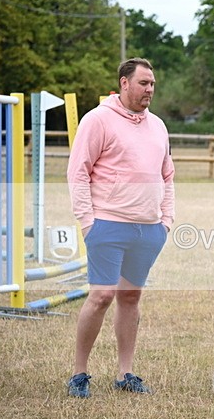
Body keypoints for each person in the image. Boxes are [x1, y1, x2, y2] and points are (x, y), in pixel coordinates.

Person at [65, 58, 175, 398]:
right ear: (124, 83)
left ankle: (125, 373)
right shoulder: (97, 120)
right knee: (101, 296)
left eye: (153, 84)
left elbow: (167, 175)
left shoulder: (157, 125)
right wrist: (88, 223)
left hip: (148, 228)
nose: (150, 89)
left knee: (130, 297)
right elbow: (78, 171)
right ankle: (80, 373)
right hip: (107, 224)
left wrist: (165, 221)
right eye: (144, 83)